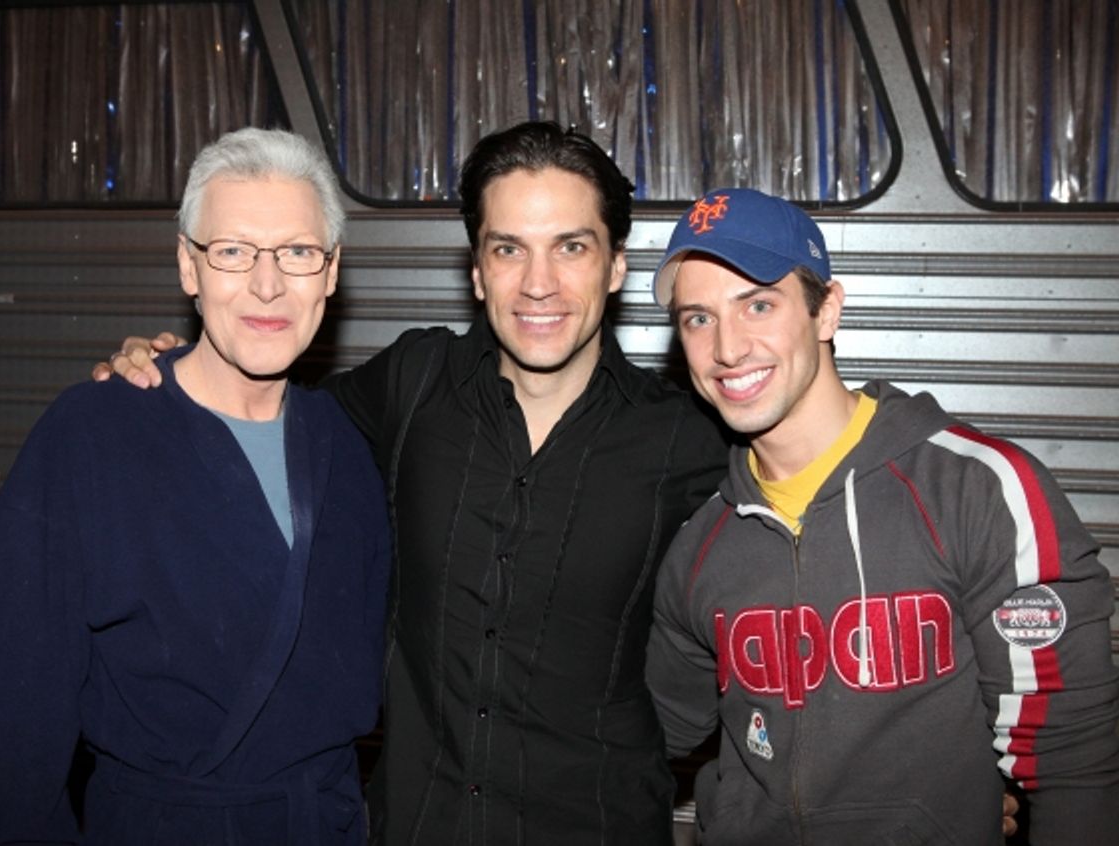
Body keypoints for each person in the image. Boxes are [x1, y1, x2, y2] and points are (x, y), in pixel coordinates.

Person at [96, 121, 729, 844]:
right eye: (508, 249)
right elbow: (255, 412)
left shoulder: (688, 438)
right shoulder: (414, 383)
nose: (539, 282)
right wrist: (160, 366)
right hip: (417, 824)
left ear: (616, 265)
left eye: (571, 247)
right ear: (477, 270)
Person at [644, 187, 1119, 844]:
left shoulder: (975, 491)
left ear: (826, 311)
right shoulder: (703, 544)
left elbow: (1074, 763)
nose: (728, 347)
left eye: (757, 304)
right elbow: (643, 737)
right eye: (698, 318)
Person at [0, 128, 391, 844]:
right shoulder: (89, 435)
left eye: (298, 253)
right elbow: (11, 716)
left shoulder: (344, 443)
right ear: (188, 267)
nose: (267, 283)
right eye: (232, 251)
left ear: (332, 271)